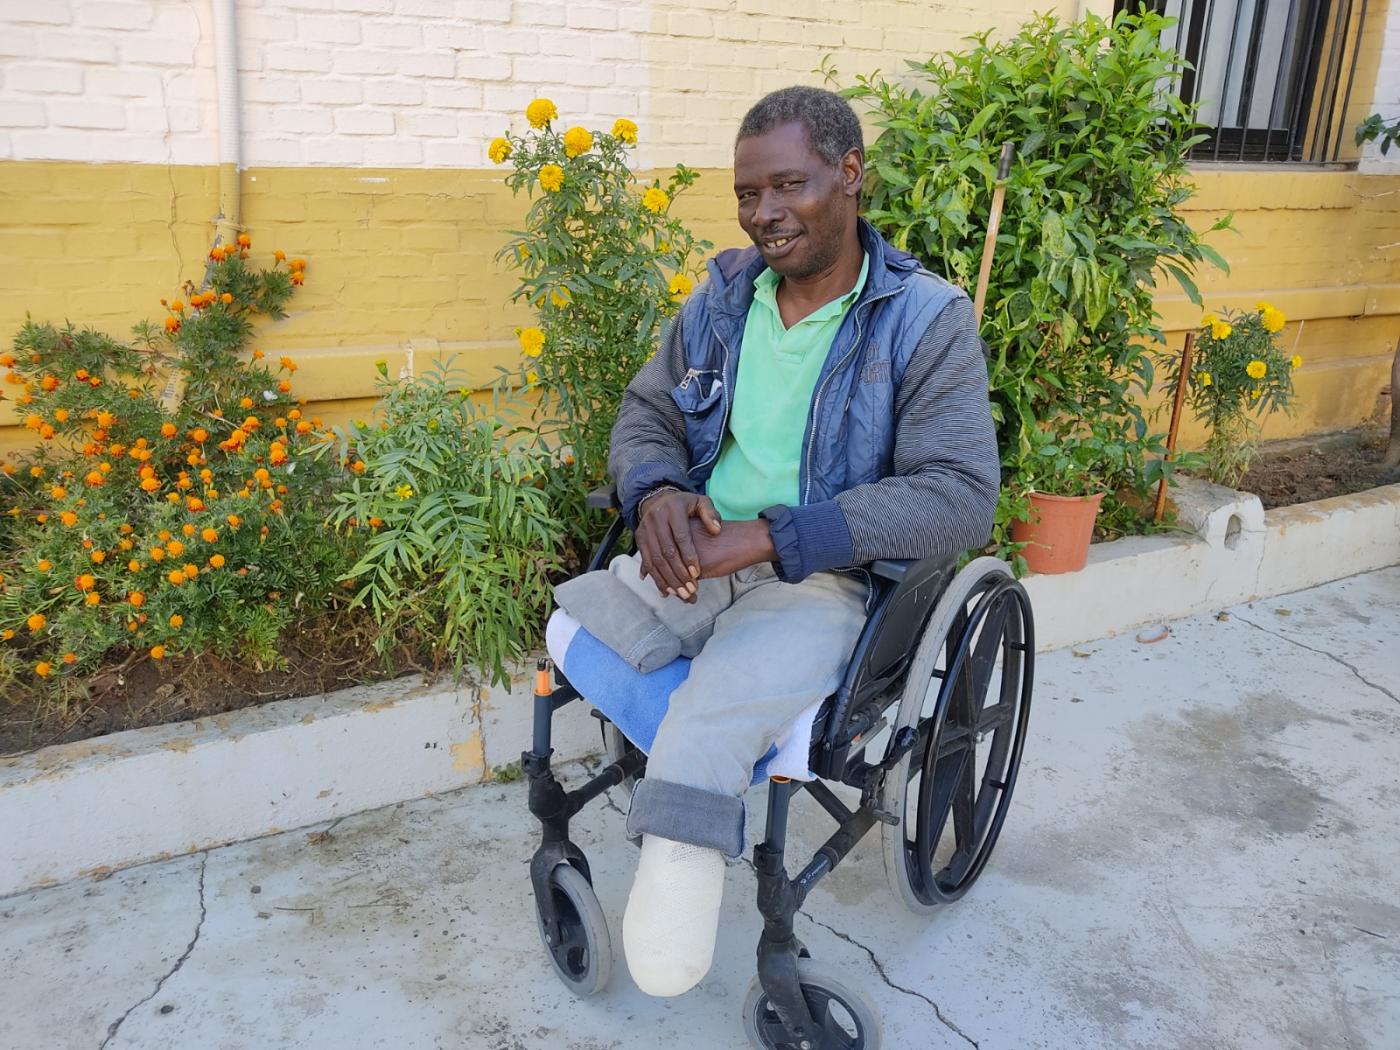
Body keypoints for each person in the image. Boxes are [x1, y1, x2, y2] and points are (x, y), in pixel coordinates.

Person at [550, 85, 999, 996]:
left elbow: (958, 499)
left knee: (722, 703)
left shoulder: (922, 319)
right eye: (748, 195)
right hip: (699, 553)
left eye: (787, 186)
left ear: (849, 174)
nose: (764, 215)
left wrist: (771, 537)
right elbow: (646, 414)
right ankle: (683, 772)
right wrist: (658, 493)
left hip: (821, 576)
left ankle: (679, 848)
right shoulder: (722, 298)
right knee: (580, 619)